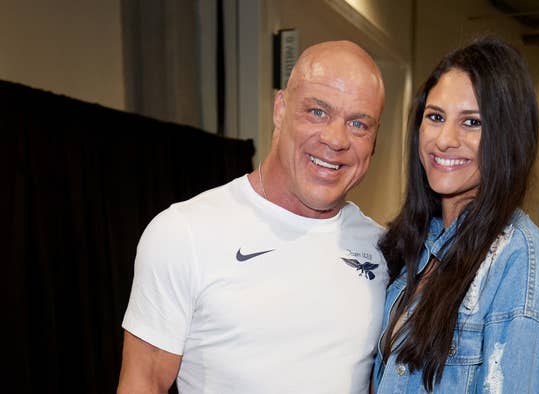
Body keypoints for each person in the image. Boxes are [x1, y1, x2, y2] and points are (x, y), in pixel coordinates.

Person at [117, 40, 388, 393]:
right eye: (318, 112)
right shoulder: (183, 232)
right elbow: (143, 384)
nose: (335, 139)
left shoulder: (385, 251)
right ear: (280, 108)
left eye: (358, 124)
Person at [372, 36, 539, 393]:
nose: (444, 140)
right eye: (435, 117)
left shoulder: (521, 265)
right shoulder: (418, 248)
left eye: (472, 123)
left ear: (507, 136)